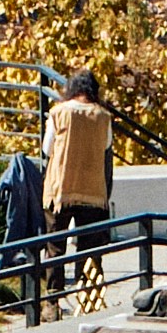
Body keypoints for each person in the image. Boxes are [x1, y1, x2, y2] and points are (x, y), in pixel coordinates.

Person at [36, 74, 116, 238]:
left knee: (55, 247)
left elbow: (47, 149)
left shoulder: (58, 112)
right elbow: (106, 146)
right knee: (89, 250)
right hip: (92, 190)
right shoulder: (103, 116)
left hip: (60, 188)